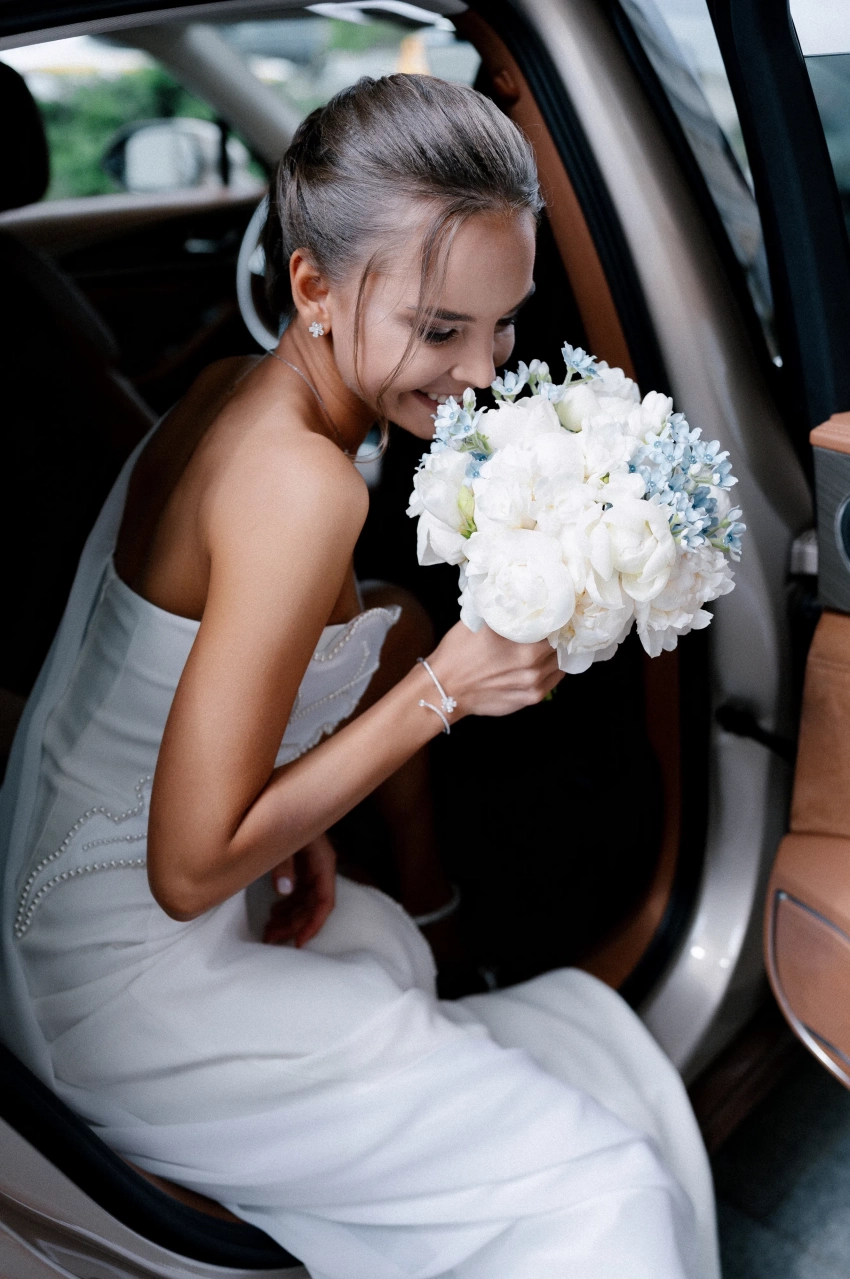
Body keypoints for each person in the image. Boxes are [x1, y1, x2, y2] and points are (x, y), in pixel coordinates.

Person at [0, 74, 719, 1279]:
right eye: (438, 330)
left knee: (394, 952)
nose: (481, 371)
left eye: (503, 324)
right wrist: (444, 686)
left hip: (55, 918)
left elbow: (161, 696)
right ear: (312, 288)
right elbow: (186, 869)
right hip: (129, 998)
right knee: (607, 1193)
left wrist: (291, 804)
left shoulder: (230, 393)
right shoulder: (304, 487)